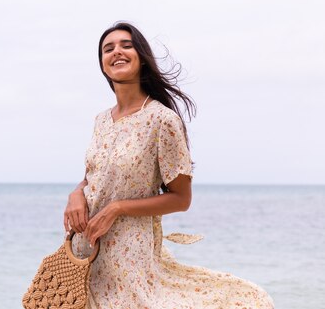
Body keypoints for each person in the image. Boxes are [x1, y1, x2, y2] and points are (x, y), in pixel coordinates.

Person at [64, 22, 274, 308]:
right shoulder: (100, 120)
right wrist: (76, 193)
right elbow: (96, 176)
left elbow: (181, 199)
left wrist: (117, 208)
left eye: (127, 45)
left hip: (130, 256)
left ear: (141, 58)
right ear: (102, 64)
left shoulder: (162, 120)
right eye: (108, 48)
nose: (117, 52)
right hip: (85, 250)